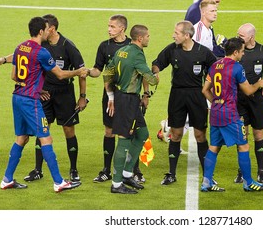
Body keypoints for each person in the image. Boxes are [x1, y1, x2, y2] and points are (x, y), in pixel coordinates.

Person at [0, 14, 87, 182]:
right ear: (42, 31)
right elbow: (61, 74)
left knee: (23, 137)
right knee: (45, 135)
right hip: (33, 99)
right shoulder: (41, 50)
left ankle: (7, 179)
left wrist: (4, 61)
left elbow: (15, 73)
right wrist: (78, 72)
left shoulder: (23, 46)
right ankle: (57, 181)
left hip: (24, 96)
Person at [201, 37, 263, 192]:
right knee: (243, 145)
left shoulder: (214, 66)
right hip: (230, 114)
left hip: (215, 114)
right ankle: (249, 182)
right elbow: (248, 91)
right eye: (242, 51)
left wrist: (216, 102)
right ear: (235, 52)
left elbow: (205, 90)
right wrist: (259, 83)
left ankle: (206, 182)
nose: (243, 54)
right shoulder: (236, 67)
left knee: (214, 147)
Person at [152, 20, 217, 185]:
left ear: (187, 36)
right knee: (176, 134)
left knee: (200, 135)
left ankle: (208, 176)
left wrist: (213, 87)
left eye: (177, 33)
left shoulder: (203, 52)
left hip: (197, 96)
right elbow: (157, 63)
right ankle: (171, 174)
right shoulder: (172, 49)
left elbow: (217, 69)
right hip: (177, 96)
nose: (173, 35)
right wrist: (155, 72)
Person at [87, 15, 146, 183]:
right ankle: (106, 170)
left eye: (112, 26)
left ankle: (134, 169)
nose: (109, 29)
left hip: (129, 97)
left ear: (122, 28)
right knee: (109, 131)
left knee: (132, 132)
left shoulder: (133, 46)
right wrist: (88, 72)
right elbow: (99, 70)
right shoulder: (104, 46)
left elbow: (142, 70)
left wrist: (145, 95)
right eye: (108, 26)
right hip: (110, 96)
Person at [103, 24, 159, 194]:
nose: (149, 38)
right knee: (124, 139)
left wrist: (111, 96)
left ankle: (127, 173)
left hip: (125, 98)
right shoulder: (136, 55)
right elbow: (151, 79)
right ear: (140, 38)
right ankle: (117, 183)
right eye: (148, 36)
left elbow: (107, 72)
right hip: (127, 100)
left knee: (142, 134)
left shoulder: (122, 50)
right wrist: (156, 75)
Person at [234, 23, 263, 184]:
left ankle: (261, 171)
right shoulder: (237, 51)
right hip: (239, 100)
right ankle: (242, 171)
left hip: (258, 101)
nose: (238, 37)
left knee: (258, 134)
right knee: (242, 134)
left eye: (241, 36)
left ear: (251, 37)